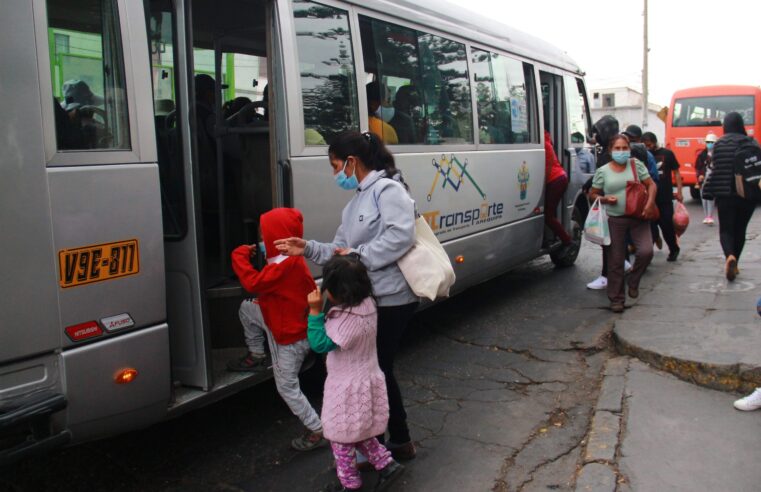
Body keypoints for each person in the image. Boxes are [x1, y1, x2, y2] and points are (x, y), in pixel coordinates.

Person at [274, 131, 418, 461]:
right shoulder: (355, 203)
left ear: (351, 162)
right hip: (368, 299)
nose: (334, 172)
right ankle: (392, 441)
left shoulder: (388, 190)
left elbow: (401, 237)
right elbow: (339, 251)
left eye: (335, 165)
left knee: (376, 369)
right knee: (376, 369)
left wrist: (358, 255)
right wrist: (306, 247)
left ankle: (386, 443)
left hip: (392, 297)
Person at [229, 208, 327, 452]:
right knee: (246, 309)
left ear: (278, 239)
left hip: (289, 337)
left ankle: (316, 429)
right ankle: (258, 355)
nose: (261, 241)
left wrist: (239, 255)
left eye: (264, 236)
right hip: (280, 317)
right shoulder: (288, 261)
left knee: (286, 386)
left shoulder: (283, 266)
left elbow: (253, 282)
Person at [307, 255, 405, 491]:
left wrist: (314, 313)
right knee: (358, 431)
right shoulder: (368, 305)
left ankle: (350, 484)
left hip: (347, 388)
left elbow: (320, 344)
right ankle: (386, 465)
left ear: (338, 293)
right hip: (365, 380)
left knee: (340, 439)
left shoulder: (345, 323)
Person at [589, 134, 657, 313]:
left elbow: (651, 185)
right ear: (611, 151)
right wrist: (604, 199)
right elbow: (593, 194)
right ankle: (616, 299)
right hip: (615, 220)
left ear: (629, 149)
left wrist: (650, 204)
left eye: (624, 148)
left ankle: (633, 281)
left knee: (646, 252)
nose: (621, 152)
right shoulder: (603, 171)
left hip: (638, 217)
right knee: (616, 261)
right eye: (617, 149)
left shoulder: (636, 165)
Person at [703, 112, 758, 281]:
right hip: (747, 194)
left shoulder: (719, 144)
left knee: (726, 229)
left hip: (725, 193)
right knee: (740, 229)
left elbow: (715, 168)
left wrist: (709, 190)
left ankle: (729, 257)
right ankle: (736, 263)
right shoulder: (751, 142)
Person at [642, 132, 682, 261]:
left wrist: (679, 191)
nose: (647, 147)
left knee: (667, 226)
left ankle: (674, 249)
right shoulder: (643, 156)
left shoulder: (667, 154)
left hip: (665, 197)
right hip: (649, 199)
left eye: (649, 145)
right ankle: (648, 255)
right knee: (650, 227)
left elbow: (676, 173)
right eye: (645, 145)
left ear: (654, 142)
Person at [543, 130, 572, 250]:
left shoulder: (545, 144)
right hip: (559, 178)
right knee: (551, 211)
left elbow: (548, 167)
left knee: (548, 215)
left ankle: (566, 241)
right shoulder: (547, 142)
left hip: (556, 180)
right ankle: (556, 237)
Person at [695, 132, 717, 224]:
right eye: (708, 142)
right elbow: (698, 166)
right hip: (703, 179)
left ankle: (710, 215)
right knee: (703, 197)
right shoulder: (702, 155)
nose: (709, 144)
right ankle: (706, 216)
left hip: (713, 178)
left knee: (711, 197)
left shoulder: (718, 154)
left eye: (711, 142)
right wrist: (699, 175)